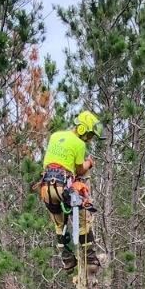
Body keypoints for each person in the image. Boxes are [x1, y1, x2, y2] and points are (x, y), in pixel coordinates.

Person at [38, 109, 104, 271]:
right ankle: (89, 256)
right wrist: (89, 163)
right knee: (83, 220)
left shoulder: (55, 136)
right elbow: (80, 170)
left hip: (46, 186)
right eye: (89, 135)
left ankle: (67, 259)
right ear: (81, 129)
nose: (89, 140)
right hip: (65, 187)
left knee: (59, 224)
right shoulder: (79, 144)